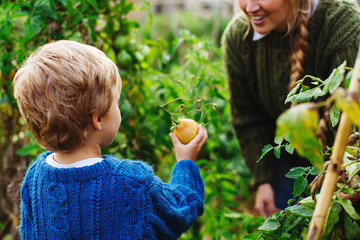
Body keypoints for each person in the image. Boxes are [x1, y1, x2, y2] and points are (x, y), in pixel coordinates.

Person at [14, 40, 208, 239]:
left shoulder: (34, 179)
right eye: (116, 102)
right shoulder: (132, 182)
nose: (119, 109)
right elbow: (180, 211)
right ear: (98, 119)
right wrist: (186, 162)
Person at [222, 0, 360, 217]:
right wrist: (263, 181)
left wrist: (347, 174)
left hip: (343, 150)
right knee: (290, 222)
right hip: (289, 154)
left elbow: (349, 118)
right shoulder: (240, 36)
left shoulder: (342, 22)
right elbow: (248, 117)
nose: (249, 7)